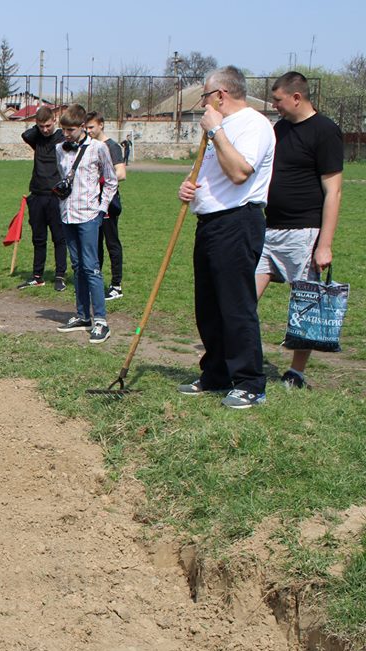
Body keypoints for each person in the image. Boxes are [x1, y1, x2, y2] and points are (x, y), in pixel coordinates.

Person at [177, 65, 275, 409]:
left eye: (205, 95)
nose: (202, 103)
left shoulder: (253, 125)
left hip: (237, 222)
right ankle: (216, 373)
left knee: (236, 305)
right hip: (209, 224)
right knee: (208, 305)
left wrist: (216, 131)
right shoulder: (218, 128)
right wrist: (189, 189)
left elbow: (238, 173)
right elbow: (210, 174)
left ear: (221, 95)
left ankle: (250, 381)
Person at [257, 71, 343, 390]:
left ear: (297, 97)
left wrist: (325, 244)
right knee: (243, 296)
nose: (274, 106)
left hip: (304, 232)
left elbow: (333, 191)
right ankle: (237, 357)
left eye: (278, 100)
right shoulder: (280, 129)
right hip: (269, 230)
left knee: (304, 304)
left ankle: (296, 373)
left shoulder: (325, 131)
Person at [54, 104, 118, 345]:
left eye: (70, 129)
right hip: (67, 215)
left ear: (82, 127)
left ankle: (100, 319)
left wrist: (101, 209)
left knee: (92, 267)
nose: (66, 134)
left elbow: (111, 181)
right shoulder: (60, 149)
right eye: (64, 129)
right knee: (77, 266)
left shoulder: (98, 148)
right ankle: (82, 315)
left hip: (89, 215)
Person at [19, 105, 68, 291]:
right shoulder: (36, 138)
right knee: (38, 238)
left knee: (59, 238)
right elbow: (26, 135)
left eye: (48, 125)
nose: (45, 130)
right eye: (41, 126)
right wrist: (37, 126)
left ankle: (60, 275)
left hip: (56, 196)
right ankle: (37, 276)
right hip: (37, 195)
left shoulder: (62, 139)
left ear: (54, 121)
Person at [85, 112, 126, 300]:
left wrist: (100, 180)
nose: (88, 131)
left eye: (91, 127)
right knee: (95, 243)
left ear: (101, 125)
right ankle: (95, 280)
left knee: (111, 243)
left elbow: (121, 173)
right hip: (92, 203)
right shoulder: (89, 146)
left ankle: (116, 285)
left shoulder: (112, 147)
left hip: (108, 203)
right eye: (86, 127)